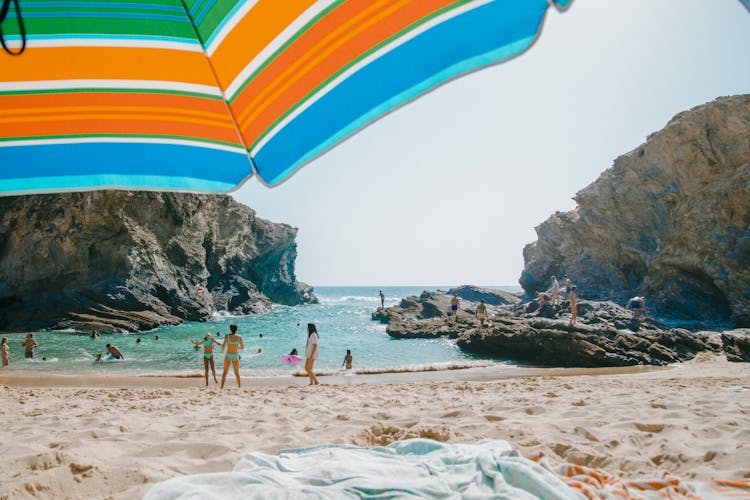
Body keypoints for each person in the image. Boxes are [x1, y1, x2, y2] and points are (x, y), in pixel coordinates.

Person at [221, 324, 244, 389]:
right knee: (237, 373)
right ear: (236, 330)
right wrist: (236, 347)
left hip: (228, 355)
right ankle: (239, 387)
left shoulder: (227, 336)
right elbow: (242, 347)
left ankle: (221, 387)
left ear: (230, 329)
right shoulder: (239, 337)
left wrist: (222, 351)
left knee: (225, 372)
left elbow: (223, 346)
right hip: (235, 355)